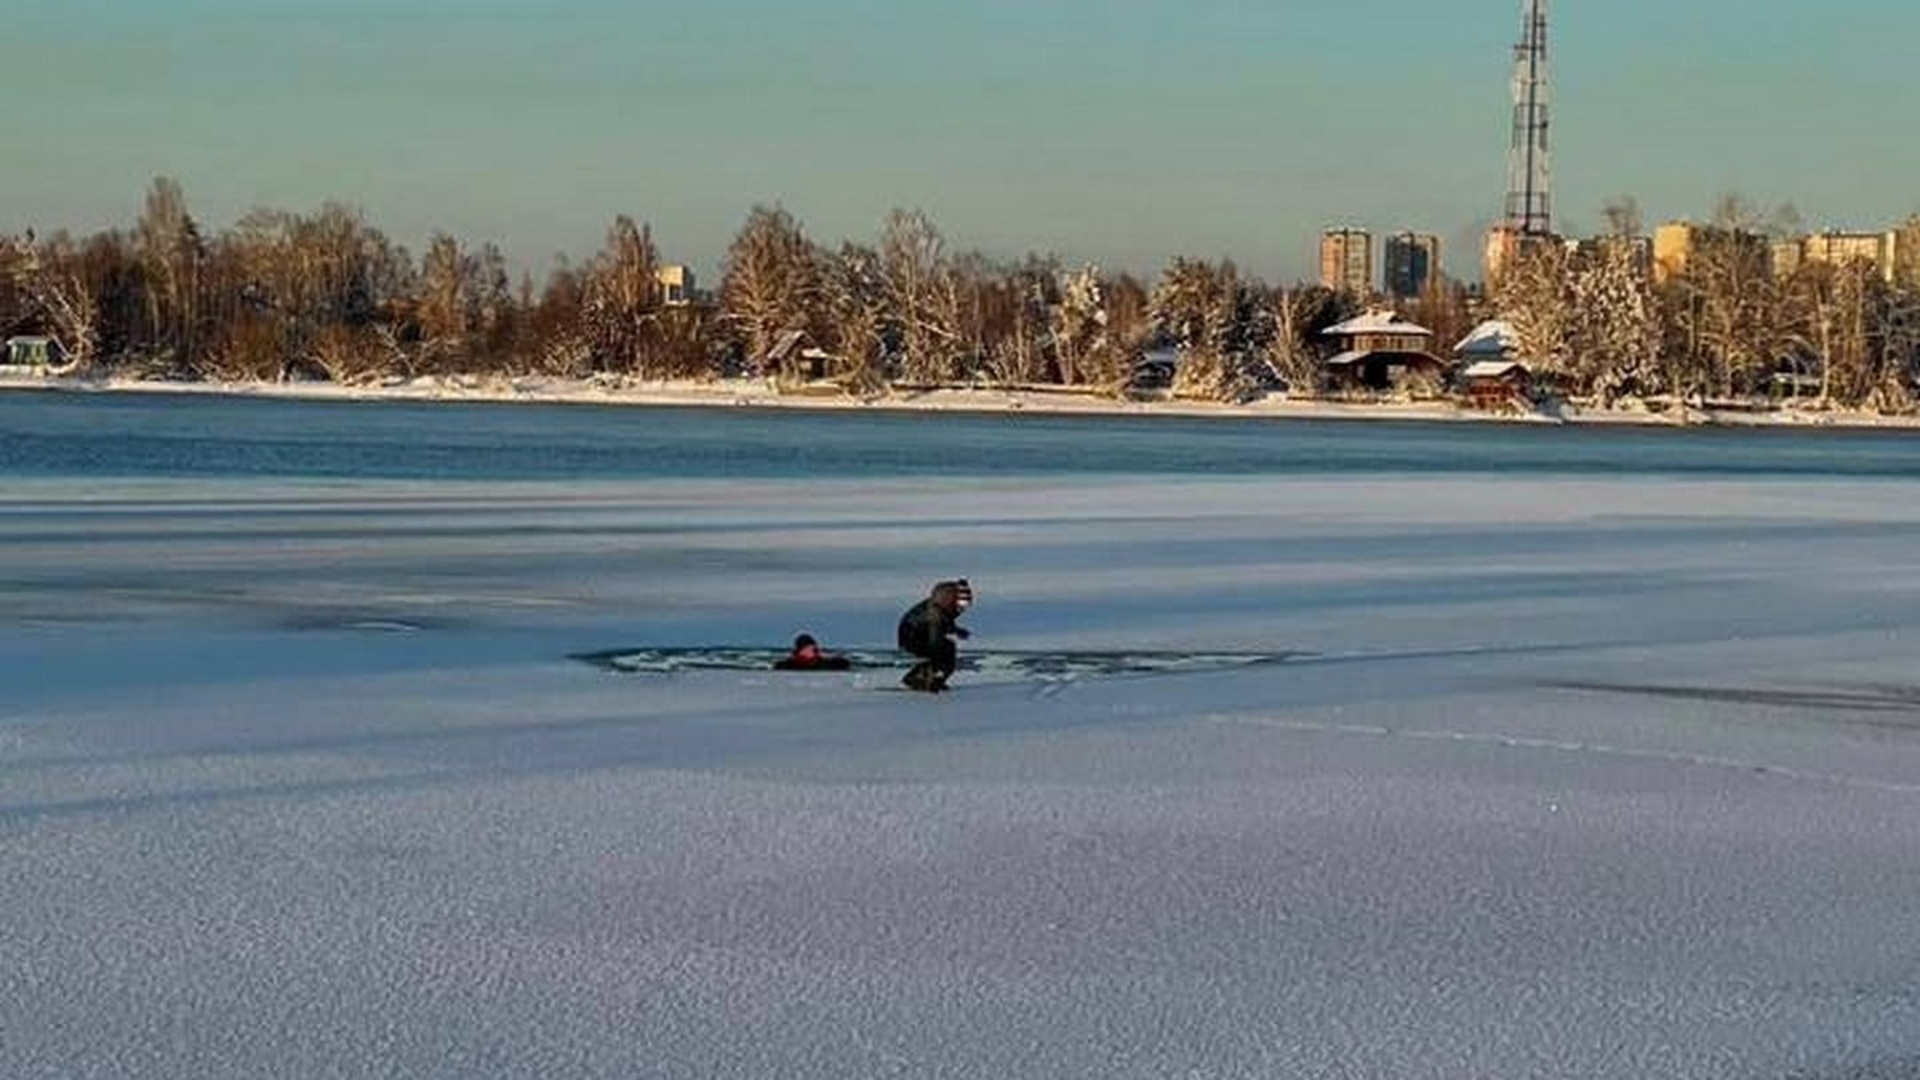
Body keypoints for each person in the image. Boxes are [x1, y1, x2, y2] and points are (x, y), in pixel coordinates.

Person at [896, 578, 972, 691]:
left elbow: (945, 623)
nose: (962, 608)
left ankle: (932, 677)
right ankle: (919, 678)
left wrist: (955, 630)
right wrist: (937, 654)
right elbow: (935, 635)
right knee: (943, 654)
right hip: (914, 640)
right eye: (960, 604)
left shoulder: (939, 609)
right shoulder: (936, 614)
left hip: (917, 636)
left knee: (945, 652)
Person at [773, 633, 852, 671]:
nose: (811, 652)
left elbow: (844, 663)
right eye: (807, 649)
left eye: (813, 649)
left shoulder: (823, 663)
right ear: (799, 650)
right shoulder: (789, 665)